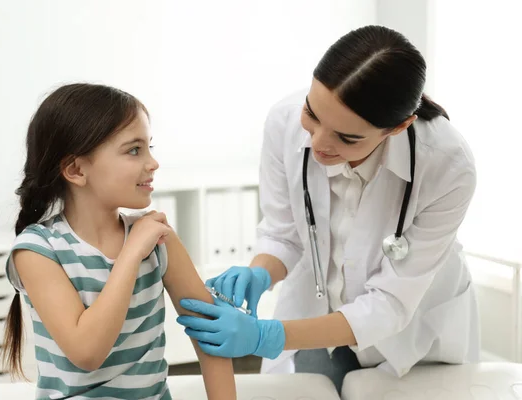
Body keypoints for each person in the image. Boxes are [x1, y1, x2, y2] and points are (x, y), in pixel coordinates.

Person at [176, 25, 479, 393]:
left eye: (347, 137)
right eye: (312, 113)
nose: (317, 143)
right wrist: (259, 272)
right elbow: (283, 233)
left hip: (414, 331)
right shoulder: (283, 121)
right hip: (316, 309)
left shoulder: (447, 165)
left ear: (397, 127)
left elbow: (390, 303)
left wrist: (266, 336)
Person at [0, 83, 236, 400]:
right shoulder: (37, 252)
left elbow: (211, 337)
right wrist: (132, 253)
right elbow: (87, 352)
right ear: (76, 169)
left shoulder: (159, 240)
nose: (152, 163)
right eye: (134, 150)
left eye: (150, 147)